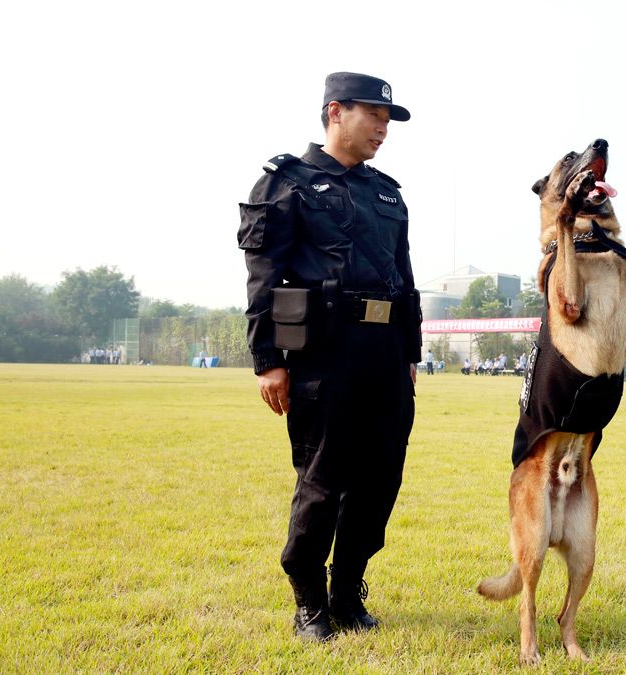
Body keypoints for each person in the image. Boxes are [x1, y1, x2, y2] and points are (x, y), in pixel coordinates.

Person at [238, 72, 421, 643]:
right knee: (322, 476)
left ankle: (347, 592)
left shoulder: (386, 192)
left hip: (385, 355)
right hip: (323, 354)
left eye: (388, 120)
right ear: (335, 112)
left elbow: (405, 279)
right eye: (375, 116)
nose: (383, 129)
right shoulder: (285, 184)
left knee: (379, 477)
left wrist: (410, 353)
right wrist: (269, 359)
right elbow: (263, 277)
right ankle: (309, 602)